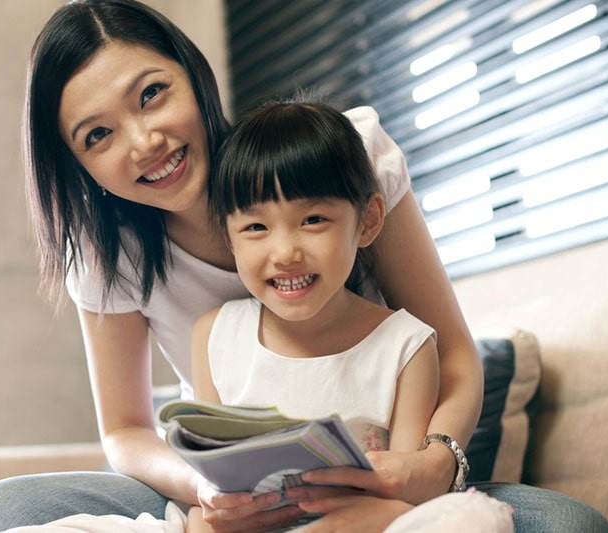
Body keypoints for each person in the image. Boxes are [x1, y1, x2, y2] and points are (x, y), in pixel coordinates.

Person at [0, 1, 608, 531]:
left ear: (193, 74)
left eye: (151, 94)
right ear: (78, 165)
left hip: (402, 453)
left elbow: (457, 354)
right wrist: (208, 487)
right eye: (98, 135)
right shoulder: (110, 256)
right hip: (242, 490)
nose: (144, 141)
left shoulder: (337, 158)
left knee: (572, 525)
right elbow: (125, 429)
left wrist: (431, 463)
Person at [182, 98, 510, 532]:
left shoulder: (406, 346)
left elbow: (409, 497)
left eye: (313, 219)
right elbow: (212, 495)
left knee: (474, 519)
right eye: (256, 227)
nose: (285, 254)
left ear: (369, 221)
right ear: (229, 235)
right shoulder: (215, 335)